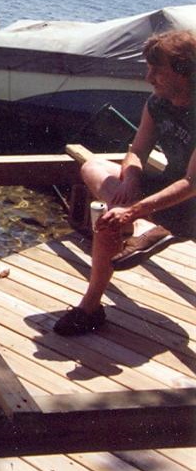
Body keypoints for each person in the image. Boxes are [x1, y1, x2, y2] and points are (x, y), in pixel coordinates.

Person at [54, 29, 196, 336]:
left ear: (184, 72)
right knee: (97, 175)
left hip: (192, 201)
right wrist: (130, 177)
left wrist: (133, 212)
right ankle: (91, 307)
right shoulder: (158, 103)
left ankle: (151, 226)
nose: (149, 77)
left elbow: (192, 183)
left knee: (119, 214)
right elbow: (137, 150)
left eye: (157, 70)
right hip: (171, 189)